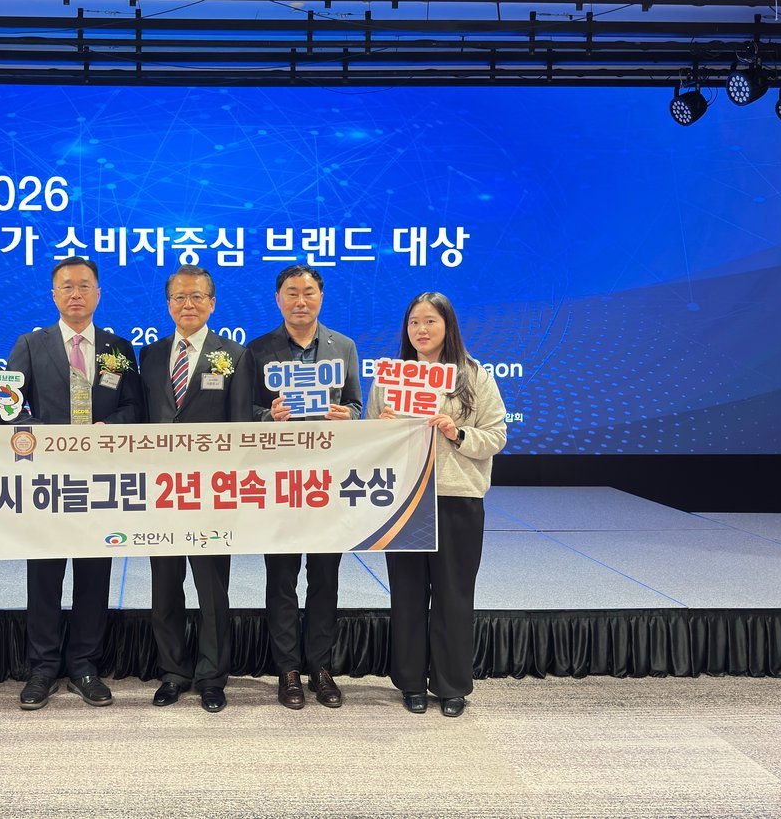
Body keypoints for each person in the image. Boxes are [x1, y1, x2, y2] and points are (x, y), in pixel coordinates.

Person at [6, 256, 144, 710]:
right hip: (48, 480)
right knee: (44, 575)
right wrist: (45, 437)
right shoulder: (31, 344)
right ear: (54, 295)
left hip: (100, 481)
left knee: (94, 574)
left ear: (98, 293)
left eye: (84, 285)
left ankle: (85, 664)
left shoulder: (118, 347)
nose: (76, 294)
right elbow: (12, 407)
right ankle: (42, 668)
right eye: (66, 286)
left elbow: (134, 408)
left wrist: (108, 428)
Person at [366, 291, 507, 718]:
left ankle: (451, 685)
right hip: (404, 499)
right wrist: (380, 429)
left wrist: (456, 432)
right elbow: (368, 439)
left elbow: (496, 435)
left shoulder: (473, 375)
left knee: (453, 594)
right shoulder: (390, 377)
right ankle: (410, 682)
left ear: (448, 326)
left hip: (455, 497)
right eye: (414, 322)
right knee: (407, 594)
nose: (421, 330)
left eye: (430, 321)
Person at [244, 265, 362, 709]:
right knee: (281, 578)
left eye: (308, 292)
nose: (300, 301)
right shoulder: (258, 350)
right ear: (278, 299)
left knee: (325, 577)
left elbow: (356, 404)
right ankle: (287, 669)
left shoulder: (343, 347)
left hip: (328, 480)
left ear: (321, 297)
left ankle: (321, 667)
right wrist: (266, 416)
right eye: (291, 293)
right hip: (279, 480)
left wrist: (348, 415)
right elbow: (245, 411)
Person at [138, 265, 252, 714]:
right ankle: (173, 671)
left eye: (197, 296)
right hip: (160, 492)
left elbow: (241, 427)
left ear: (212, 302)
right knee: (164, 587)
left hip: (210, 493)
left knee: (212, 590)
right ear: (168, 305)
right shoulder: (149, 355)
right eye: (179, 297)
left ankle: (211, 676)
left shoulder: (234, 355)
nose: (188, 305)